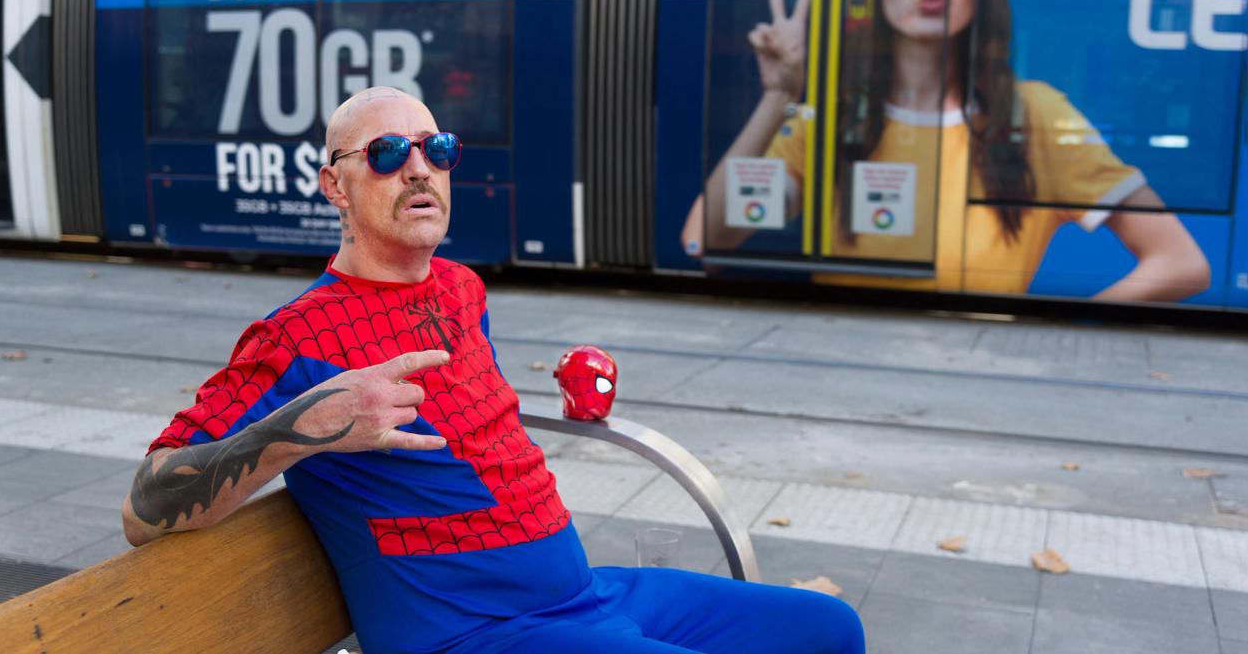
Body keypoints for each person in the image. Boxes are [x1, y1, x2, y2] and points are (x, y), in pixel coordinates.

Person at [121, 86, 865, 654]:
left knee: (828, 626)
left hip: (581, 593)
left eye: (434, 148)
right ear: (334, 185)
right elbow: (143, 505)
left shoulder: (460, 286)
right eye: (384, 154)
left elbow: (474, 439)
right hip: (476, 632)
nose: (417, 169)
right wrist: (303, 427)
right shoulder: (293, 335)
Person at [683, 0, 1210, 302]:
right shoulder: (833, 120)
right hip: (843, 380)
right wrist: (778, 96)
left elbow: (1181, 262)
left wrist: (1054, 335)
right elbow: (705, 239)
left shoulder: (1037, 114)